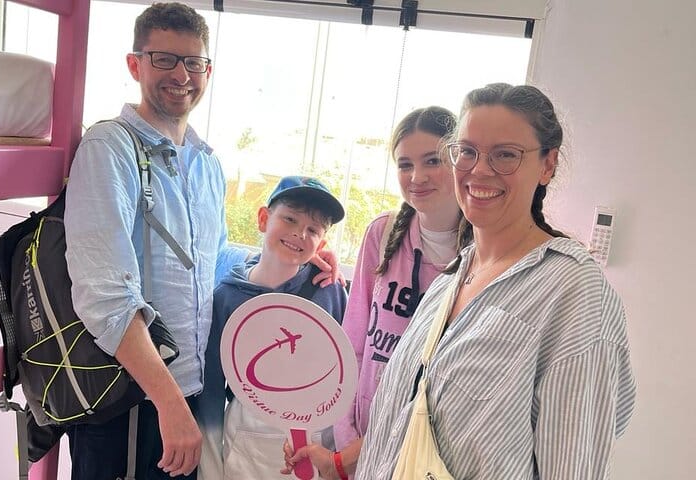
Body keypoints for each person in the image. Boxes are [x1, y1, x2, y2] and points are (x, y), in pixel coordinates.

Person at [63, 4, 338, 479]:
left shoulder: (206, 164)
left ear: (207, 71)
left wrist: (294, 254)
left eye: (194, 62)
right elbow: (104, 295)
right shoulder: (111, 147)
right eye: (164, 59)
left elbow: (209, 261)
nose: (181, 75)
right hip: (129, 397)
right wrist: (168, 402)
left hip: (189, 394)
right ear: (135, 64)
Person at [354, 83, 637, 479]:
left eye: (506, 154)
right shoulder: (451, 279)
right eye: (468, 152)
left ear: (548, 164)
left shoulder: (573, 292)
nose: (480, 170)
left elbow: (573, 465)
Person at [282, 106, 468, 479]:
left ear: (458, 160)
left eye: (432, 161)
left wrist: (354, 455)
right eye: (404, 164)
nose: (417, 176)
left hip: (428, 448)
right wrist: (346, 438)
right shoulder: (382, 234)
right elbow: (353, 343)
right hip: (358, 438)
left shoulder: (482, 253)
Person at [196, 175, 349, 480]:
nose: (299, 234)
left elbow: (347, 374)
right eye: (290, 219)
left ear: (322, 243)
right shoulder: (226, 297)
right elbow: (211, 390)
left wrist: (339, 456)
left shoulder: (329, 290)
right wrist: (210, 469)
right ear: (264, 219)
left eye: (313, 230)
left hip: (315, 448)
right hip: (244, 449)